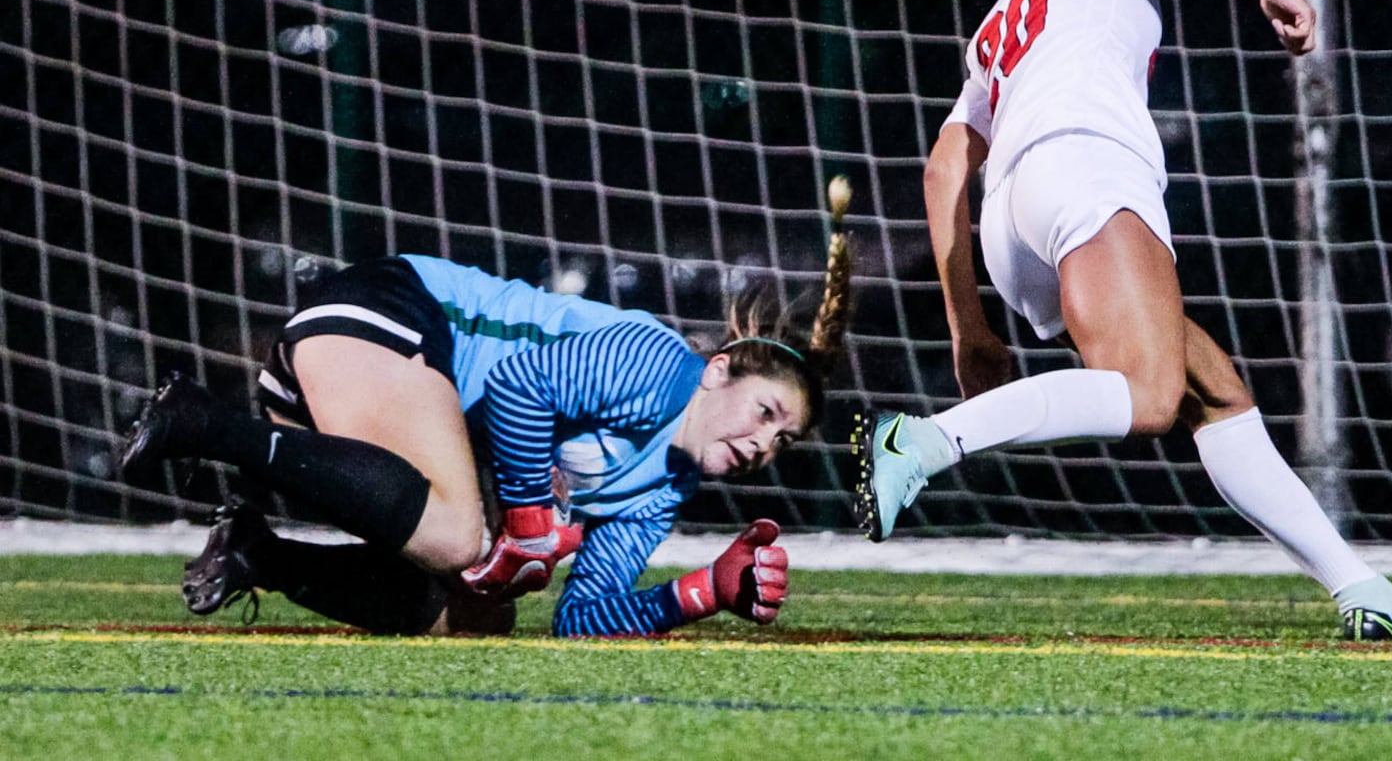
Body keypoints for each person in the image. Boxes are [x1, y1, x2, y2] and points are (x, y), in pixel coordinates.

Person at [852, 0, 1392, 642]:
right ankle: (924, 441)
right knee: (1148, 395)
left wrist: (970, 328)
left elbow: (944, 168)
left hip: (1013, 217)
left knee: (1215, 394)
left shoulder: (1001, 22)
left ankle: (1365, 592)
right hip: (1084, 167)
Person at [122, 178, 853, 636]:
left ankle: (260, 552)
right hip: (388, 317)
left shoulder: (660, 494)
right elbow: (518, 389)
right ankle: (202, 422)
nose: (764, 444)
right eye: (764, 413)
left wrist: (700, 592)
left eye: (782, 441)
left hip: (351, 408)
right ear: (718, 371)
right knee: (457, 540)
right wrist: (531, 523)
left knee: (473, 616)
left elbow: (584, 619)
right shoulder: (659, 365)